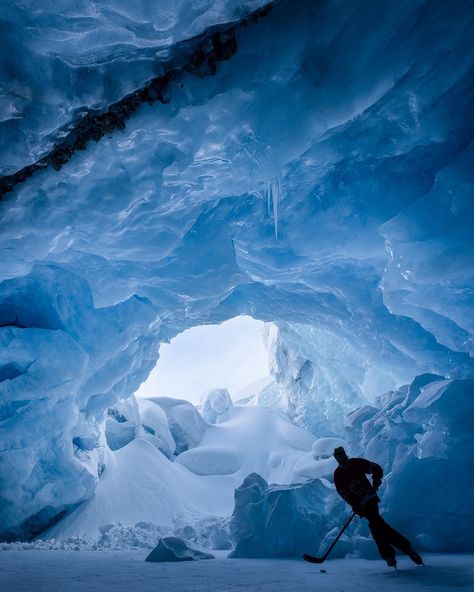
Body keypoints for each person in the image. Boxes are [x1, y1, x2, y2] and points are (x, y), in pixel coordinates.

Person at [333, 446, 423, 568]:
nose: (342, 459)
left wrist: (376, 481)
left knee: (375, 524)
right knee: (378, 525)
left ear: (345, 455)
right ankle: (407, 550)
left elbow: (376, 468)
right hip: (360, 506)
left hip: (370, 499)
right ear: (336, 459)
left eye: (342, 456)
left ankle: (390, 555)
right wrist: (355, 504)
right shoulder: (338, 475)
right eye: (339, 458)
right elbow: (343, 492)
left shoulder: (357, 463)